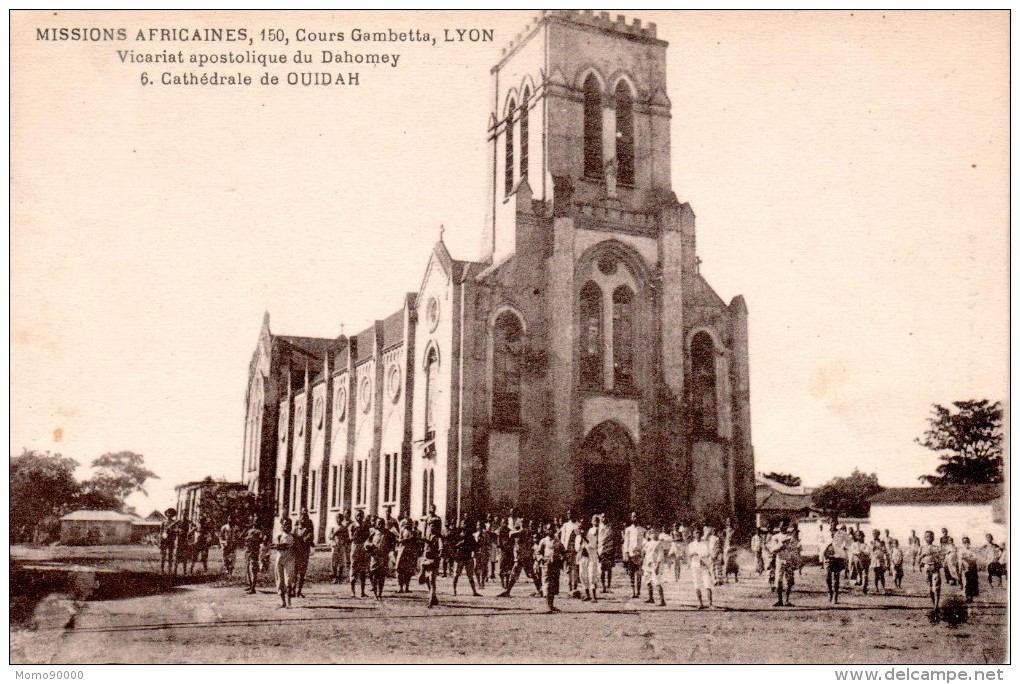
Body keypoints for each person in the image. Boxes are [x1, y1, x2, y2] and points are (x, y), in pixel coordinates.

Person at [536, 523, 566, 613]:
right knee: (547, 584)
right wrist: (542, 558)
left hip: (555, 565)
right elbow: (538, 553)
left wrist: (562, 559)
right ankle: (548, 606)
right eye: (549, 529)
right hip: (546, 565)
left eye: (552, 529)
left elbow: (563, 551)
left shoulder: (558, 541)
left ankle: (551, 605)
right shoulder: (544, 541)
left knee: (554, 585)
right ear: (546, 530)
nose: (551, 531)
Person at [451, 520, 482, 597]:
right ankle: (453, 591)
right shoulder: (457, 535)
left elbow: (475, 546)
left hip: (468, 557)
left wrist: (476, 550)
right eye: (462, 524)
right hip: (459, 557)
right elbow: (453, 545)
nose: (464, 525)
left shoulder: (470, 536)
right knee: (456, 575)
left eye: (465, 524)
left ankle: (474, 591)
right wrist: (459, 544)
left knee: (470, 575)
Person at [272, 517, 296, 608]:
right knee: (280, 580)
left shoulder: (293, 536)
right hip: (280, 559)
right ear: (282, 525)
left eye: (289, 524)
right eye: (285, 524)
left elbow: (297, 547)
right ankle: (283, 602)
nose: (287, 526)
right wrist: (279, 546)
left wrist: (292, 547)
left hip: (289, 559)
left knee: (288, 580)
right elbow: (274, 545)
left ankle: (289, 601)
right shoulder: (279, 535)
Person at [687, 527, 713, 609]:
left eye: (699, 532)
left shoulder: (705, 543)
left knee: (707, 584)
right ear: (694, 535)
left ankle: (710, 604)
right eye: (696, 533)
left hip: (704, 565)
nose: (697, 534)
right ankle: (701, 603)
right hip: (695, 566)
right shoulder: (691, 544)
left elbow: (707, 554)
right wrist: (695, 554)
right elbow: (690, 554)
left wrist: (699, 555)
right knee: (697, 585)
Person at [824, 524, 851, 604]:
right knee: (827, 577)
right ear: (829, 522)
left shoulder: (841, 533)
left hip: (838, 557)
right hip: (828, 557)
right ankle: (830, 592)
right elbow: (822, 543)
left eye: (834, 521)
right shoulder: (826, 533)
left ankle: (835, 596)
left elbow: (848, 542)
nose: (833, 523)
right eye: (831, 521)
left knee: (836, 577)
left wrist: (843, 549)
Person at [365, 518, 390, 600]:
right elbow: (367, 542)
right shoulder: (373, 533)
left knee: (382, 576)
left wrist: (389, 551)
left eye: (382, 523)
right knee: (374, 575)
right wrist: (370, 546)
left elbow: (392, 543)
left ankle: (380, 593)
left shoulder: (387, 533)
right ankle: (376, 594)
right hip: (375, 557)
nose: (381, 525)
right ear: (376, 524)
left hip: (384, 557)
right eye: (379, 523)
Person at [622, 511, 646, 599]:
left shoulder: (643, 530)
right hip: (631, 553)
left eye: (636, 516)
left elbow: (644, 543)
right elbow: (626, 542)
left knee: (639, 573)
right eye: (633, 517)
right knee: (631, 573)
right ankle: (633, 591)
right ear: (631, 518)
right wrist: (626, 553)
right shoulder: (628, 530)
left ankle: (638, 591)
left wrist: (643, 554)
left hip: (639, 554)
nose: (635, 518)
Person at [642, 528, 668, 607]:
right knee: (648, 581)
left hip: (654, 564)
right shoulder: (647, 543)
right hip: (647, 564)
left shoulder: (658, 543)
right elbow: (645, 553)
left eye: (654, 532)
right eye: (650, 533)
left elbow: (660, 556)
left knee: (657, 582)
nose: (652, 534)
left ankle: (662, 600)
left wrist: (657, 565)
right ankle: (651, 598)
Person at [918, 530, 943, 612]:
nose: (929, 538)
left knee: (936, 588)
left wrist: (938, 562)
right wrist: (921, 560)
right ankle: (934, 604)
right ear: (924, 538)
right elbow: (919, 559)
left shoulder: (937, 548)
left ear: (933, 538)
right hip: (926, 569)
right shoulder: (922, 548)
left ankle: (936, 606)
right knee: (929, 589)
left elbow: (941, 558)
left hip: (935, 569)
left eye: (931, 536)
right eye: (927, 536)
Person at [420, 519, 443, 608]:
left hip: (433, 560)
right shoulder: (428, 535)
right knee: (427, 579)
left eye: (433, 526)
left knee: (431, 580)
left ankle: (430, 602)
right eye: (430, 526)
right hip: (427, 558)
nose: (431, 528)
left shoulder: (438, 537)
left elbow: (441, 548)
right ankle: (433, 597)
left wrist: (440, 554)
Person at [292, 509, 314, 598]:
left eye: (305, 517)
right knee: (294, 572)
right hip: (296, 553)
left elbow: (308, 539)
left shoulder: (308, 530)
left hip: (304, 553)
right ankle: (293, 589)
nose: (303, 519)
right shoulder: (295, 530)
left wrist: (307, 540)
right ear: (299, 519)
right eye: (302, 517)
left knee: (302, 573)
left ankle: (299, 591)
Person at [348, 510, 370, 598]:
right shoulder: (352, 526)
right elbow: (352, 538)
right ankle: (353, 592)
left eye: (361, 515)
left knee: (363, 570)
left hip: (363, 547)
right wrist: (359, 535)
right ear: (355, 516)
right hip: (355, 547)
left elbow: (367, 536)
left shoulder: (365, 525)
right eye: (357, 515)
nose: (359, 517)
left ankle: (362, 592)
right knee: (353, 567)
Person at [558, 511, 580, 597]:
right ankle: (569, 590)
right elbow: (563, 538)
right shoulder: (565, 525)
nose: (569, 515)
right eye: (568, 514)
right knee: (568, 570)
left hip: (576, 550)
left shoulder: (578, 525)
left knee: (576, 570)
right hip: (567, 550)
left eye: (571, 513)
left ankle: (575, 589)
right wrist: (563, 550)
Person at [241, 516, 264, 594]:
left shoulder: (259, 532)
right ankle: (250, 584)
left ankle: (253, 587)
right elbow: (241, 537)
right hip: (248, 551)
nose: (254, 522)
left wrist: (253, 539)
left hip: (254, 551)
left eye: (256, 521)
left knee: (253, 569)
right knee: (247, 569)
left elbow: (262, 540)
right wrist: (245, 531)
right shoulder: (249, 530)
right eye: (253, 520)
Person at [328, 512, 350, 585]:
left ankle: (339, 577)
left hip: (341, 546)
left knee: (341, 562)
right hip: (335, 545)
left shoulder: (344, 527)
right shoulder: (333, 527)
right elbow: (329, 536)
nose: (339, 520)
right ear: (336, 519)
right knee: (334, 562)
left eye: (340, 519)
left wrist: (344, 540)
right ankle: (334, 577)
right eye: (338, 518)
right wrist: (334, 534)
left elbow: (347, 537)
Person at [598, 514, 616, 593]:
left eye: (605, 517)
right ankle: (603, 587)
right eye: (602, 517)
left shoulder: (610, 527)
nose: (604, 518)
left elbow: (614, 538)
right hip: (601, 550)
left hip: (609, 550)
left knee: (609, 569)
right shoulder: (598, 527)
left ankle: (608, 586)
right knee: (602, 569)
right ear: (600, 518)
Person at [958, 536, 980, 603]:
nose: (966, 543)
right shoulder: (961, 550)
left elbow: (975, 558)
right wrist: (959, 569)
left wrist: (968, 558)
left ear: (969, 542)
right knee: (966, 583)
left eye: (967, 542)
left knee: (972, 583)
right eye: (964, 542)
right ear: (963, 543)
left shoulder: (972, 550)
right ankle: (967, 597)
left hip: (972, 568)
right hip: (965, 569)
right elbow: (960, 560)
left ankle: (971, 597)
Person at [159, 508, 178, 574]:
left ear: (173, 514)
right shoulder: (164, 522)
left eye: (171, 513)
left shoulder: (175, 522)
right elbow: (161, 533)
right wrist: (160, 542)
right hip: (164, 540)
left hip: (171, 540)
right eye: (168, 513)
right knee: (163, 556)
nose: (169, 514)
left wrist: (173, 532)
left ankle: (170, 570)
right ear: (166, 514)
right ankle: (162, 570)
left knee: (171, 556)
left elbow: (176, 531)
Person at [474, 521, 491, 590]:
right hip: (477, 552)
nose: (477, 526)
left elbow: (488, 544)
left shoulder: (486, 535)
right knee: (476, 568)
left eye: (478, 525)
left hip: (484, 552)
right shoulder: (475, 534)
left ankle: (482, 582)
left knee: (483, 568)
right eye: (477, 525)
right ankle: (478, 582)